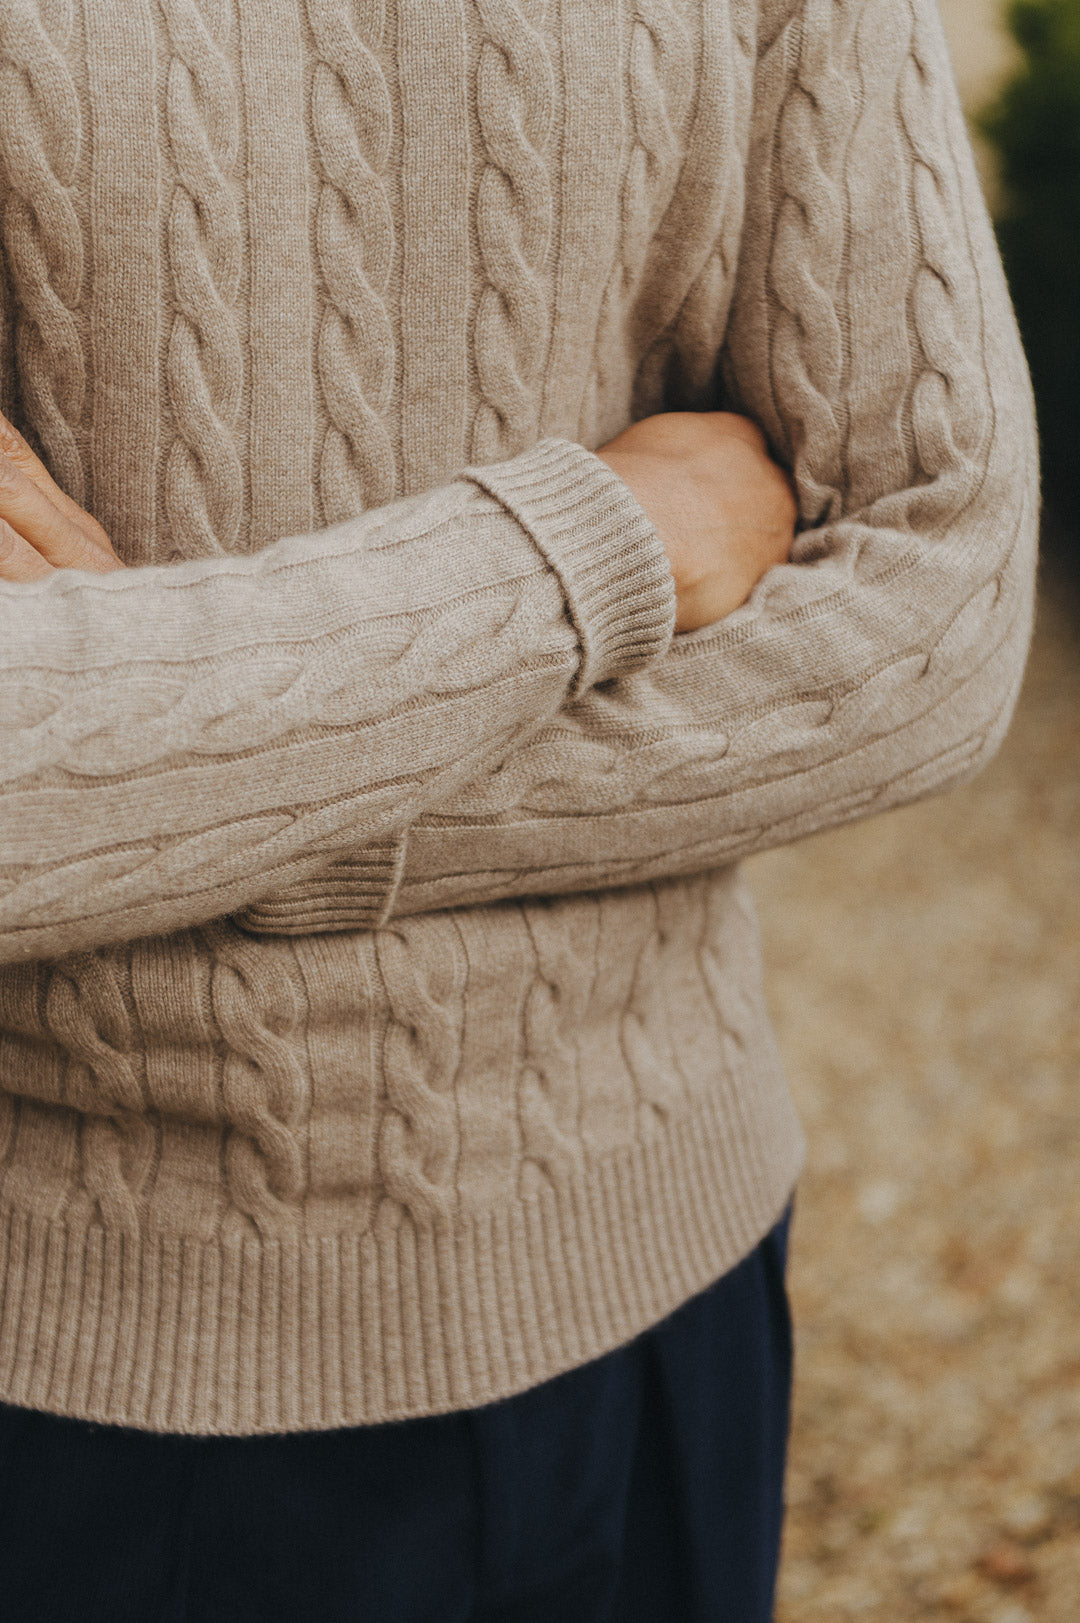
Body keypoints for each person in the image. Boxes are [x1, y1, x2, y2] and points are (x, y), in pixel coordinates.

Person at [0, 1, 1037, 1619]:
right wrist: (589, 550)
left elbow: (938, 620)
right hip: (82, 1371)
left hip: (664, 1275)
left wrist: (189, 784)